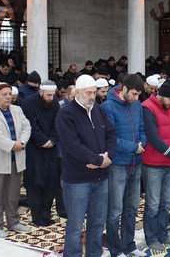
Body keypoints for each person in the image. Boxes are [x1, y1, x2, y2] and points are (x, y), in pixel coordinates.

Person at [55, 75, 116, 257]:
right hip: (77, 180)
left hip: (101, 177)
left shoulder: (98, 110)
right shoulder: (66, 114)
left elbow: (112, 134)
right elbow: (72, 145)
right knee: (75, 226)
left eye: (94, 93)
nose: (92, 96)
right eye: (88, 93)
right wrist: (98, 160)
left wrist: (107, 157)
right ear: (77, 93)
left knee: (97, 223)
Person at [101, 74, 147, 257]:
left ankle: (129, 245)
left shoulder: (136, 105)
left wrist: (142, 144)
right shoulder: (108, 107)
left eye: (139, 95)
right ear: (124, 88)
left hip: (136, 163)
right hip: (118, 165)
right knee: (115, 210)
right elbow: (112, 138)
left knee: (132, 208)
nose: (137, 98)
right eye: (134, 94)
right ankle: (116, 249)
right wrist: (134, 147)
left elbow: (142, 128)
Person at [0, 82, 32, 238]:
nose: (8, 97)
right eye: (4, 94)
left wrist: (22, 142)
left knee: (13, 193)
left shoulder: (17, 110)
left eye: (10, 94)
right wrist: (12, 145)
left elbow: (26, 127)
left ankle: (13, 221)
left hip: (16, 158)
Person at [141, 78, 170, 251]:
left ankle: (163, 234)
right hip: (153, 164)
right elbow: (153, 138)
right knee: (153, 204)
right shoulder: (147, 107)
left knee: (166, 203)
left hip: (169, 163)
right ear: (161, 95)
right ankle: (151, 237)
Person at [21, 80, 60, 227]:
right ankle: (37, 216)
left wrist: (52, 140)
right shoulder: (28, 103)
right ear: (40, 92)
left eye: (53, 95)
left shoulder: (54, 102)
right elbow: (31, 125)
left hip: (51, 147)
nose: (51, 98)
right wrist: (43, 141)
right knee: (35, 183)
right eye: (48, 95)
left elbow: (57, 123)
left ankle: (46, 214)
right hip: (34, 149)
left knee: (50, 182)